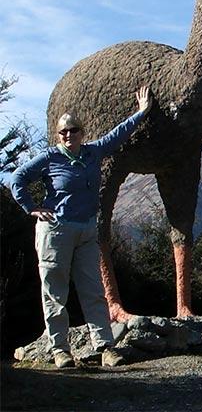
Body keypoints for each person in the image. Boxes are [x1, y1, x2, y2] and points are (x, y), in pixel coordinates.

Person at [10, 86, 152, 368]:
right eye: (63, 131)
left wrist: (142, 112)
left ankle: (105, 347)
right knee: (55, 292)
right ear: (57, 134)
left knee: (93, 290)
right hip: (56, 231)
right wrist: (32, 208)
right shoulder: (50, 158)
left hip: (87, 231)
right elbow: (17, 179)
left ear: (81, 132)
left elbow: (117, 135)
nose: (68, 135)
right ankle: (60, 350)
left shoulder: (92, 152)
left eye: (73, 130)